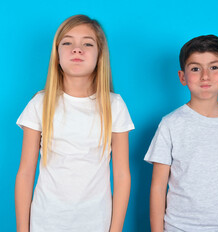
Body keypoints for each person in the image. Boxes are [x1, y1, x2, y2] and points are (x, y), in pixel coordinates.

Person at [15, 15, 134, 232]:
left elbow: (122, 175)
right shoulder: (40, 103)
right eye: (68, 42)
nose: (77, 49)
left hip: (96, 222)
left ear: (99, 55)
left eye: (87, 43)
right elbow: (25, 173)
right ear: (57, 54)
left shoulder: (114, 105)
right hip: (46, 221)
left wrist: (115, 229)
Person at [144, 35, 218, 232]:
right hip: (178, 227)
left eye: (214, 67)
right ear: (182, 77)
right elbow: (158, 187)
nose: (205, 76)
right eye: (195, 68)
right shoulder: (170, 124)